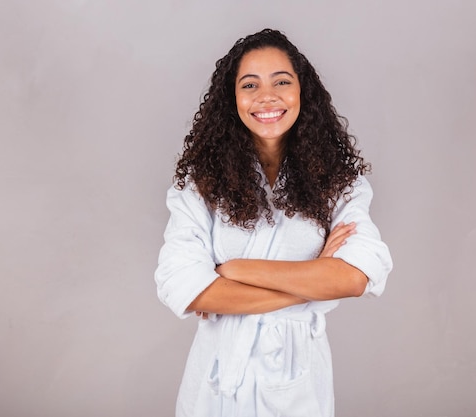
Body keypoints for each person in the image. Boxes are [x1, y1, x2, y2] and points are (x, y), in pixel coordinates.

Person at [155, 28, 392, 417]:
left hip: (299, 378)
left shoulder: (340, 183)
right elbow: (182, 285)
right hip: (216, 379)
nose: (267, 96)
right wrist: (313, 280)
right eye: (250, 84)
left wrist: (234, 271)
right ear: (233, 100)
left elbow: (356, 276)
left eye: (282, 81)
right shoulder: (201, 183)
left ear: (303, 93)